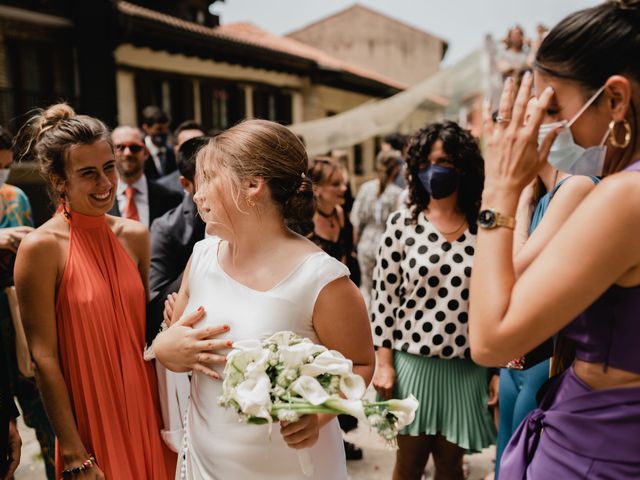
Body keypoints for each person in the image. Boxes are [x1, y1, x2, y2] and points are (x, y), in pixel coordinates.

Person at [470, 1, 640, 477]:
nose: (543, 124)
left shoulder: (625, 197)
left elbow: (489, 340)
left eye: (553, 105)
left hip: (597, 446)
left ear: (615, 99)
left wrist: (501, 189)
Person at [151, 119, 375, 479]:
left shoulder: (321, 278)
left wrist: (319, 412)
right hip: (206, 462)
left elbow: (361, 365)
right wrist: (164, 347)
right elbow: (177, 340)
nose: (197, 193)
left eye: (208, 178)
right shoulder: (203, 256)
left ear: (253, 185)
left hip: (291, 468)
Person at [14, 104, 176, 479]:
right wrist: (73, 452)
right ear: (58, 181)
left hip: (149, 412)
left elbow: (146, 331)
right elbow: (43, 358)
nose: (105, 184)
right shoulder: (40, 248)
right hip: (91, 419)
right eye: (88, 174)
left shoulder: (135, 236)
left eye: (108, 169)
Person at [371, 121, 495, 480]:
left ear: (463, 166)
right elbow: (384, 299)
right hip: (413, 366)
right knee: (407, 467)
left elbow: (493, 299)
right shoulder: (402, 224)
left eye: (443, 161)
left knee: (451, 468)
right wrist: (384, 363)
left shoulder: (483, 228)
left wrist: (497, 369)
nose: (432, 171)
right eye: (424, 163)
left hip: (466, 368)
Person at [493, 110, 598, 477]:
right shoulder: (546, 193)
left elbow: (510, 273)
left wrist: (516, 198)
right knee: (505, 452)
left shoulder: (576, 187)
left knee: (521, 461)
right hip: (518, 358)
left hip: (547, 357)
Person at [0, 126, 56, 479]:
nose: (3, 176)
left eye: (5, 167)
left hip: (16, 324)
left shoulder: (13, 198)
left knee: (47, 426)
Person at [148, 135, 208, 343]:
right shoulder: (165, 228)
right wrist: (203, 257)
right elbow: (155, 301)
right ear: (186, 183)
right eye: (206, 177)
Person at [351, 150, 403, 308]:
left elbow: (356, 219)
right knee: (383, 288)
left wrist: (356, 244)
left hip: (366, 243)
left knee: (366, 287)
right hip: (386, 244)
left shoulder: (366, 188)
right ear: (396, 170)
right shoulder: (398, 193)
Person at [109, 126, 182, 227]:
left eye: (134, 148)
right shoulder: (100, 199)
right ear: (110, 153)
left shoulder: (171, 198)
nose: (127, 153)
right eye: (120, 147)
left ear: (146, 152)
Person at [157, 121, 206, 193]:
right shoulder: (163, 188)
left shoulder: (221, 181)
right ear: (176, 150)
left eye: (200, 144)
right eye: (188, 146)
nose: (195, 150)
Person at [141, 106, 177, 179]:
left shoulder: (172, 151)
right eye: (159, 129)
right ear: (146, 128)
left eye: (166, 129)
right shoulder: (139, 151)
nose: (164, 133)